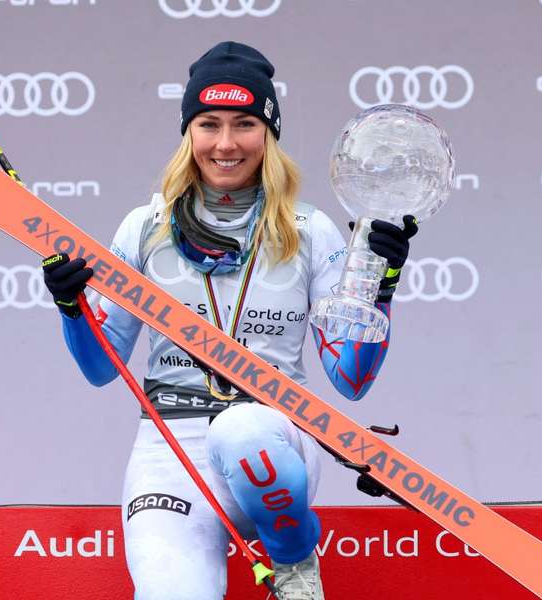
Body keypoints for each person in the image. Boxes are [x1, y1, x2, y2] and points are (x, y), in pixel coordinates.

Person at [41, 41, 417, 600]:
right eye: (208, 123)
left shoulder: (309, 230)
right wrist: (72, 309)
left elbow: (351, 381)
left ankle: (293, 566)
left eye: (244, 123)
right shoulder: (145, 227)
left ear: (268, 133)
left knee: (240, 429)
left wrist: (378, 286)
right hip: (170, 444)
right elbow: (102, 369)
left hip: (274, 433)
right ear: (188, 132)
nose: (225, 143)